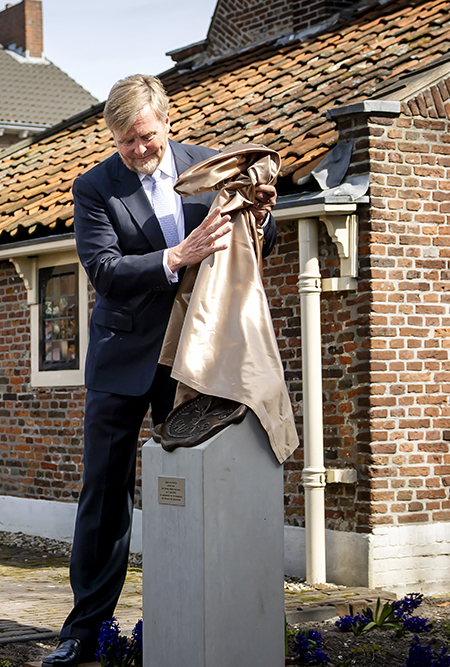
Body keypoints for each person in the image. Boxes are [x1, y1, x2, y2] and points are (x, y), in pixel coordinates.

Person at [42, 74, 278, 667]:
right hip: (123, 361)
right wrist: (177, 255)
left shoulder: (213, 166)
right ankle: (85, 629)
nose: (139, 151)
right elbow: (104, 269)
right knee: (104, 492)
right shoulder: (94, 187)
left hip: (195, 361)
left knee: (197, 483)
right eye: (125, 142)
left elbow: (255, 245)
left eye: (145, 137)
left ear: (166, 121)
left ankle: (194, 615)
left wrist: (265, 218)